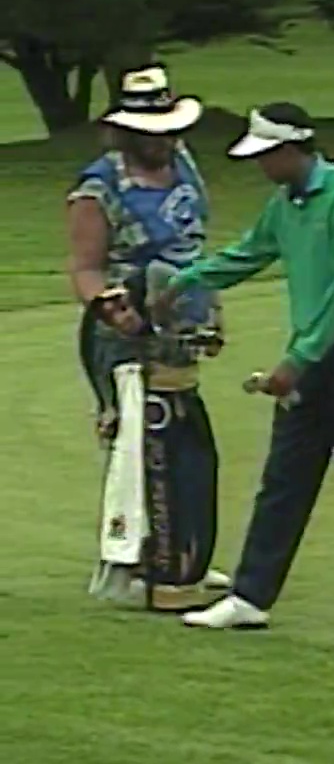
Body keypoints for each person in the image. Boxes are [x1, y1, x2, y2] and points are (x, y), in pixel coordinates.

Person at [155, 102, 334, 636]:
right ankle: (251, 596)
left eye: (266, 156)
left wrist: (298, 361)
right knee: (284, 479)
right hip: (310, 355)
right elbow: (248, 253)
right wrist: (187, 280)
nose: (260, 167)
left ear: (290, 150)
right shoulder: (285, 204)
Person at [67, 63, 231, 610]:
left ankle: (179, 556)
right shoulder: (98, 187)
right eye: (150, 133)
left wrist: (208, 306)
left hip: (178, 320)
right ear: (125, 132)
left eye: (168, 130)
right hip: (126, 327)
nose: (162, 142)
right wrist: (111, 306)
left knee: (183, 442)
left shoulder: (184, 166)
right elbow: (86, 270)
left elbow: (192, 243)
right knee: (139, 444)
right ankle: (133, 565)